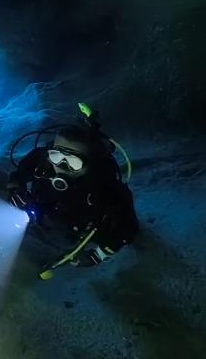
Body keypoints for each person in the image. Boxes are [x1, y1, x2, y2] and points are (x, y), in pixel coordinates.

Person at [7, 104, 138, 278]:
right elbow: (19, 174)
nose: (62, 166)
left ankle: (92, 126)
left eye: (73, 162)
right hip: (48, 213)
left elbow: (128, 230)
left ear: (91, 164)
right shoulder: (42, 160)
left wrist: (96, 256)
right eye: (57, 156)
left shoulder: (106, 186)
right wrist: (16, 192)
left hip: (85, 227)